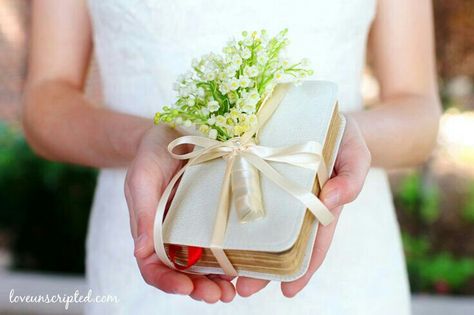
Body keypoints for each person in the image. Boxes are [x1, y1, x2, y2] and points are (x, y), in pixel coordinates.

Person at [22, 0, 441, 314]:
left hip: (341, 262)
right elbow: (46, 102)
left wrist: (327, 135)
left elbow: (417, 110)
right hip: (155, 234)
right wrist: (155, 142)